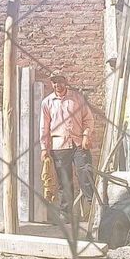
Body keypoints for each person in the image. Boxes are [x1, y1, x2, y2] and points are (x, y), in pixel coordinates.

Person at [40, 71, 95, 227]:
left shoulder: (77, 98)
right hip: (59, 146)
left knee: (86, 174)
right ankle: (66, 215)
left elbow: (88, 119)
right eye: (55, 82)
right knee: (65, 182)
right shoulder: (47, 102)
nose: (58, 85)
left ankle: (93, 211)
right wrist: (44, 148)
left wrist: (86, 136)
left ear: (66, 81)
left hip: (78, 144)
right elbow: (44, 127)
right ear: (52, 84)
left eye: (61, 81)